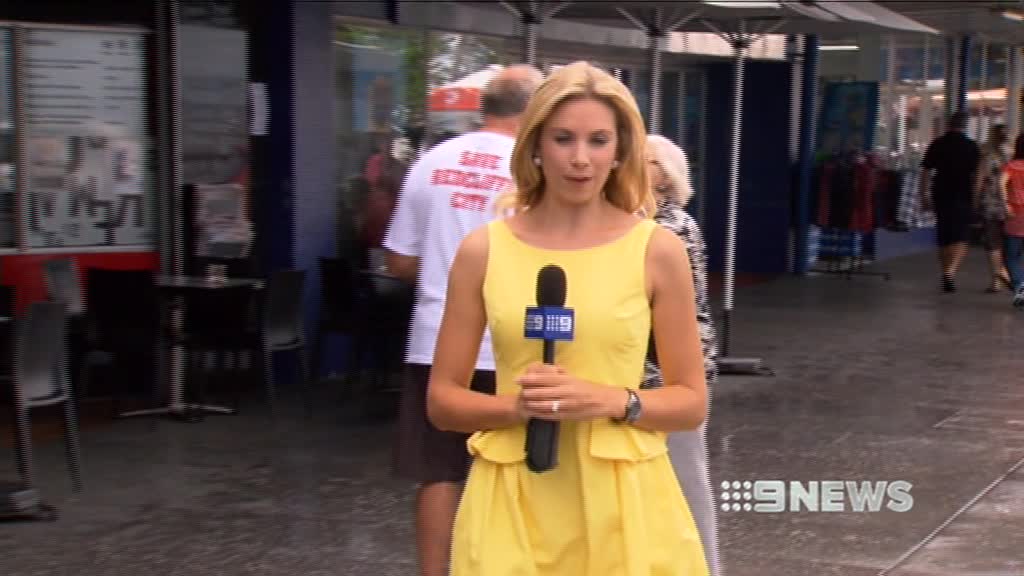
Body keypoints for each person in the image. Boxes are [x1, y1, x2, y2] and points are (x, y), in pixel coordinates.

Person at [427, 61, 709, 575]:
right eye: (563, 139)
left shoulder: (657, 250)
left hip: (623, 502)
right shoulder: (483, 251)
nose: (580, 158)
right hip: (513, 498)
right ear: (535, 144)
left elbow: (691, 402)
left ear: (620, 150)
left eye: (598, 141)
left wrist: (611, 400)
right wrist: (517, 408)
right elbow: (443, 401)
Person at [382, 64, 544, 576]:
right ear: (534, 111)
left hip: (435, 343)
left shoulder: (430, 162)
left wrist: (446, 277)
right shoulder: (536, 168)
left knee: (438, 472)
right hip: (516, 344)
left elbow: (397, 260)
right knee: (520, 469)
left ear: (483, 107)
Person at [643, 134, 721, 576]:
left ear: (666, 175)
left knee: (685, 473)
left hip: (672, 373)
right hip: (642, 375)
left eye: (647, 161)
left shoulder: (672, 227)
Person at [920, 111, 981, 293]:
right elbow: (977, 176)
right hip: (963, 194)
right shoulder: (971, 146)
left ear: (948, 124)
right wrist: (976, 198)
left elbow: (926, 171)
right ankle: (950, 272)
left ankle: (945, 271)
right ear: (965, 126)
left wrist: (924, 194)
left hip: (941, 193)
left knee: (944, 235)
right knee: (961, 236)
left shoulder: (937, 143)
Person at [975, 124, 1012, 293]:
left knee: (993, 244)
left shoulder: (987, 157)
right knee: (1008, 243)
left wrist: (975, 201)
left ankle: (998, 280)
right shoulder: (1013, 155)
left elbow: (979, 181)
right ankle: (1007, 274)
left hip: (990, 205)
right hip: (1010, 206)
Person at [1001, 134, 1024, 308]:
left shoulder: (1011, 166)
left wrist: (1005, 203)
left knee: (1011, 257)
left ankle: (1020, 287)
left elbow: (1000, 183)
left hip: (1016, 215)